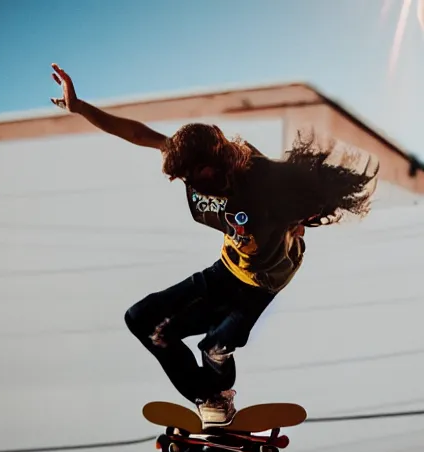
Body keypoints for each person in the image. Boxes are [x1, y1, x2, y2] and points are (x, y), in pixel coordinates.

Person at [50, 63, 379, 428]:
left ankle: (218, 385)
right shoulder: (186, 160)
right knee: (143, 321)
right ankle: (210, 399)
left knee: (216, 345)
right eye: (185, 179)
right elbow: (137, 133)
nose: (193, 185)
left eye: (200, 176)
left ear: (219, 162)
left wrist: (300, 222)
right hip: (225, 270)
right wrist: (80, 108)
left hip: (262, 282)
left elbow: (314, 192)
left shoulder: (264, 180)